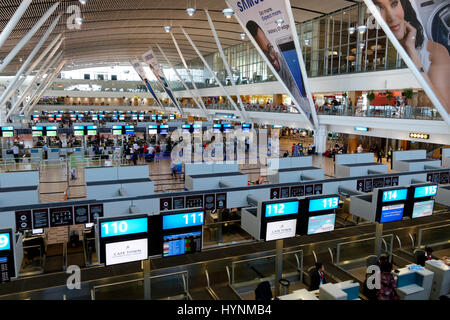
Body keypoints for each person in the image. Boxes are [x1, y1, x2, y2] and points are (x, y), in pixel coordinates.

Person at [373, 0, 450, 113]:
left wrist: (412, 52)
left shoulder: (434, 52)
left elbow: (446, 111)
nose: (391, 17)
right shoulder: (386, 48)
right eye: (380, 8)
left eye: (394, 4)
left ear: (404, 6)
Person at [246, 20, 313, 123]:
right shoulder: (277, 68)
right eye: (266, 53)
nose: (272, 56)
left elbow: (296, 88)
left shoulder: (286, 60)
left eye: (270, 48)